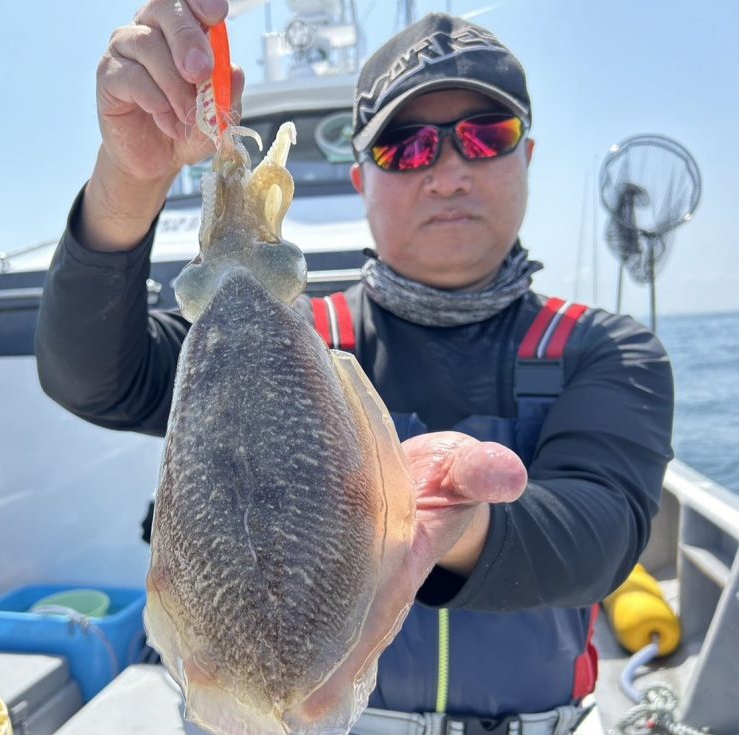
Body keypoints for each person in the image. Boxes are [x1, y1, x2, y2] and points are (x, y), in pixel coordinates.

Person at [35, 3, 674, 733]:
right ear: (361, 177)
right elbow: (90, 374)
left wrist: (446, 526)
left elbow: (599, 533)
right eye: (406, 146)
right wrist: (127, 180)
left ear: (527, 156)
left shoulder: (605, 349)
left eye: (485, 136)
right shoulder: (299, 332)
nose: (448, 172)